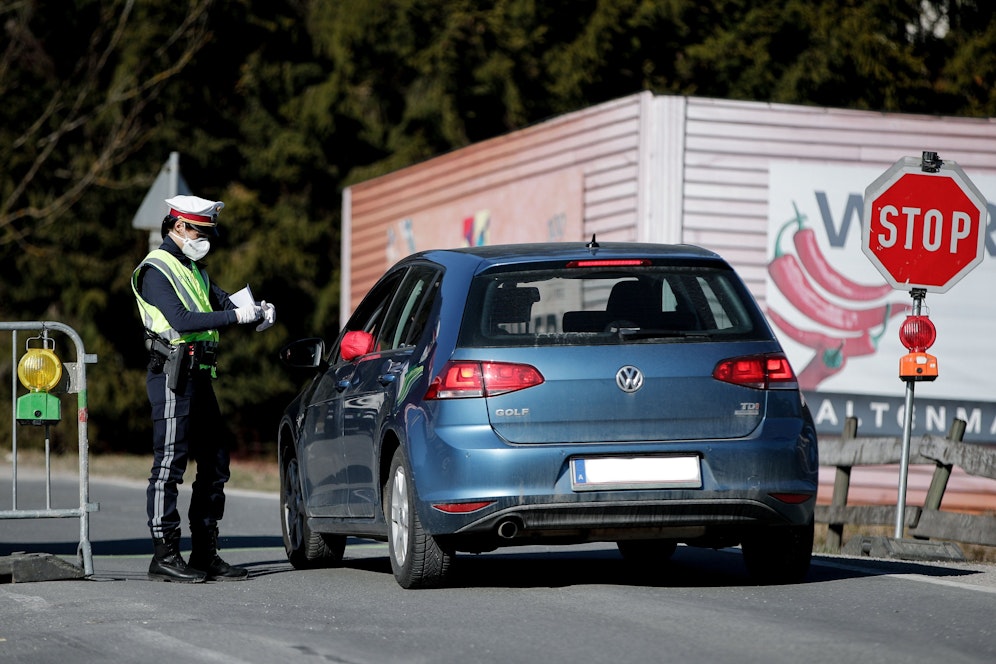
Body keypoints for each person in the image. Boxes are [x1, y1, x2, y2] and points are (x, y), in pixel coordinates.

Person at [131, 194, 276, 583]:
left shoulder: (194, 269)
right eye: (200, 232)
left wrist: (259, 310)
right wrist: (235, 316)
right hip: (172, 375)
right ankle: (164, 555)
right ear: (179, 227)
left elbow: (224, 302)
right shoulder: (155, 269)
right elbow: (181, 318)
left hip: (198, 375)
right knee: (170, 464)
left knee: (215, 463)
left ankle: (204, 553)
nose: (205, 239)